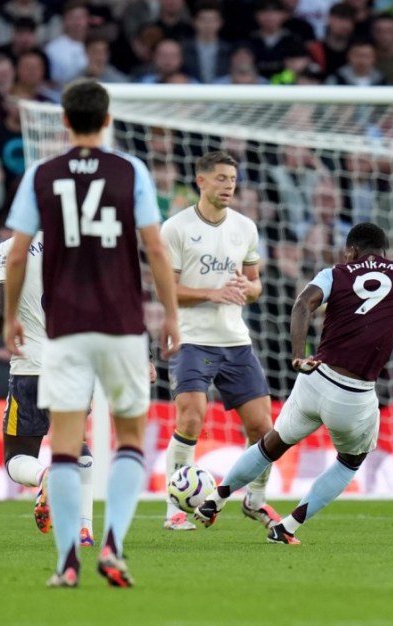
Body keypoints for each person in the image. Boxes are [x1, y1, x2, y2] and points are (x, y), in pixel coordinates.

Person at [193, 222, 393, 543]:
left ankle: (216, 498)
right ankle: (288, 526)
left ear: (351, 250)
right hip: (353, 395)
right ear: (384, 251)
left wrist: (297, 355)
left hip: (314, 377)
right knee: (350, 461)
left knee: (272, 443)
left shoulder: (334, 273)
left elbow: (302, 304)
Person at [2, 79, 180, 588]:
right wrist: (171, 315)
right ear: (107, 121)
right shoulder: (131, 171)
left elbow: (17, 254)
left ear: (64, 122)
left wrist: (13, 313)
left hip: (65, 331)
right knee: (127, 442)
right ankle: (114, 547)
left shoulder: (42, 173)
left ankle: (66, 562)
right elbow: (157, 250)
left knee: (60, 447)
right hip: (121, 327)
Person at [0, 232, 96, 545]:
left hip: (32, 367)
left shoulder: (10, 249)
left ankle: (44, 477)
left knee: (17, 458)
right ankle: (84, 529)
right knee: (76, 443)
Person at [158, 150, 280, 532]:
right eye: (222, 178)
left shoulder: (245, 227)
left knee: (264, 428)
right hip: (192, 338)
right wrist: (210, 293)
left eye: (233, 179)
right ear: (201, 181)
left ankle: (255, 500)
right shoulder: (175, 228)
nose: (229, 186)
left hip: (235, 340)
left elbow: (256, 285)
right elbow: (167, 290)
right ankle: (173, 509)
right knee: (192, 417)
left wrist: (249, 287)